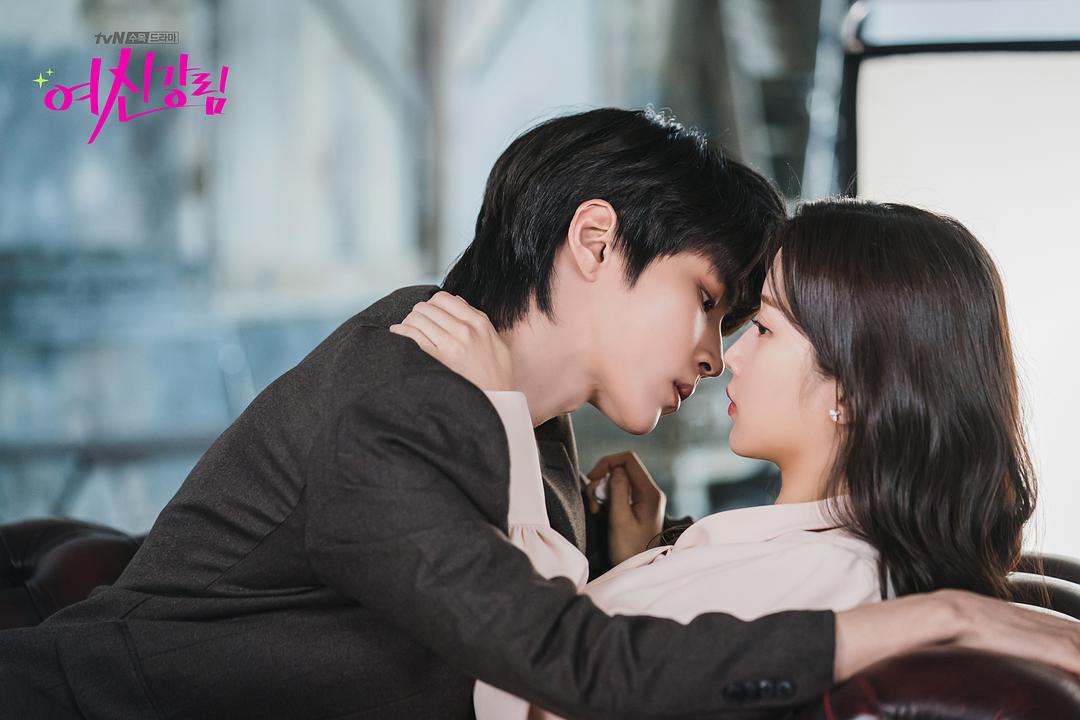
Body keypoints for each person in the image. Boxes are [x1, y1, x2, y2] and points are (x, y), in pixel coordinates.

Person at [1, 109, 1078, 720]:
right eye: (710, 301)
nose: (716, 354)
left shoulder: (532, 426)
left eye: (750, 322)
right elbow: (566, 657)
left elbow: (545, 628)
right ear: (596, 241)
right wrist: (940, 618)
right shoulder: (404, 404)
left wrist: (628, 551)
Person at [398, 199, 1061, 718]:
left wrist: (502, 416)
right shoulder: (803, 554)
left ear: (851, 392)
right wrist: (642, 562)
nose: (728, 357)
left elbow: (533, 688)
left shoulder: (830, 574)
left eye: (764, 328)